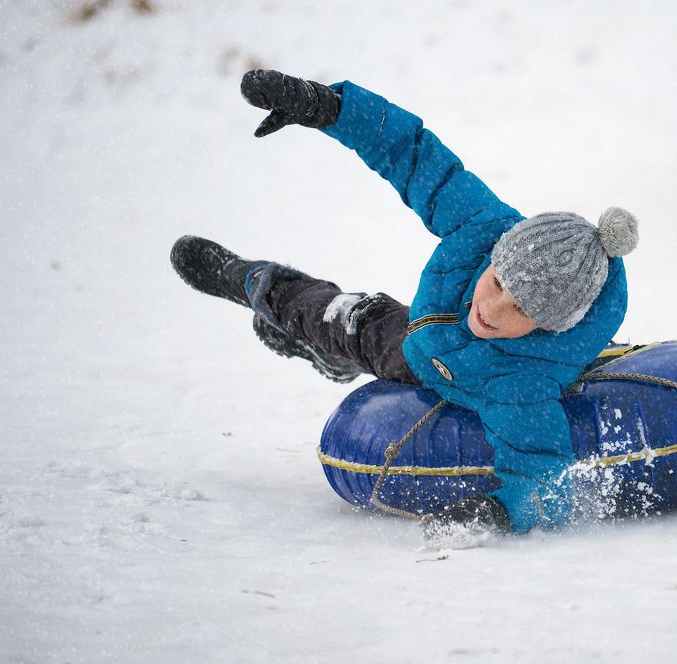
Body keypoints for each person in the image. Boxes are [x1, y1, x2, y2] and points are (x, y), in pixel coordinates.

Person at [171, 70, 638, 540]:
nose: (493, 311)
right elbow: (414, 157)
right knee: (339, 315)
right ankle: (254, 282)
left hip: (429, 370)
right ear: (497, 255)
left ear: (547, 328)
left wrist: (495, 514)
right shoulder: (482, 224)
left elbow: (544, 479)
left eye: (520, 311)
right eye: (496, 283)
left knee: (353, 334)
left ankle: (327, 355)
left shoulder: (524, 383)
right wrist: (329, 109)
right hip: (414, 335)